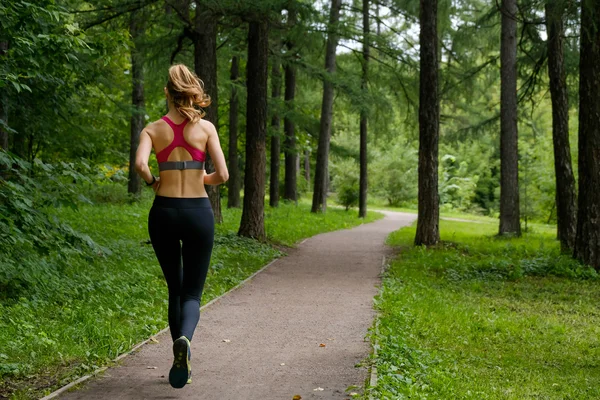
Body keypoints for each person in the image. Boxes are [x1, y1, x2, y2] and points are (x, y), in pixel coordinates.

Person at [135, 64, 228, 389]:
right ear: (190, 93)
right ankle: (185, 341)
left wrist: (153, 182)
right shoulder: (206, 129)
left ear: (166, 93)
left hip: (163, 211)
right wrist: (202, 177)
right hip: (198, 212)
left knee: (175, 289)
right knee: (192, 293)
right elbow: (223, 175)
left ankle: (180, 357)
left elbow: (140, 165)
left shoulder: (152, 129)